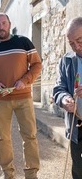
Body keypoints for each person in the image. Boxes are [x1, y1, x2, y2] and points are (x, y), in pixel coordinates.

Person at [0, 13, 42, 179]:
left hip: (24, 98)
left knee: (29, 136)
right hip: (1, 100)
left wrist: (25, 80)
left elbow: (37, 65)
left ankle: (31, 174)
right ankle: (7, 174)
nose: (1, 26)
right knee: (3, 138)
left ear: (9, 24)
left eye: (3, 23)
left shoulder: (23, 42)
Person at [53, 17, 82, 179]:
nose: (76, 47)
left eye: (80, 40)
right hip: (77, 125)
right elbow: (59, 89)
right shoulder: (66, 61)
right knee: (78, 169)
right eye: (71, 43)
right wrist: (64, 100)